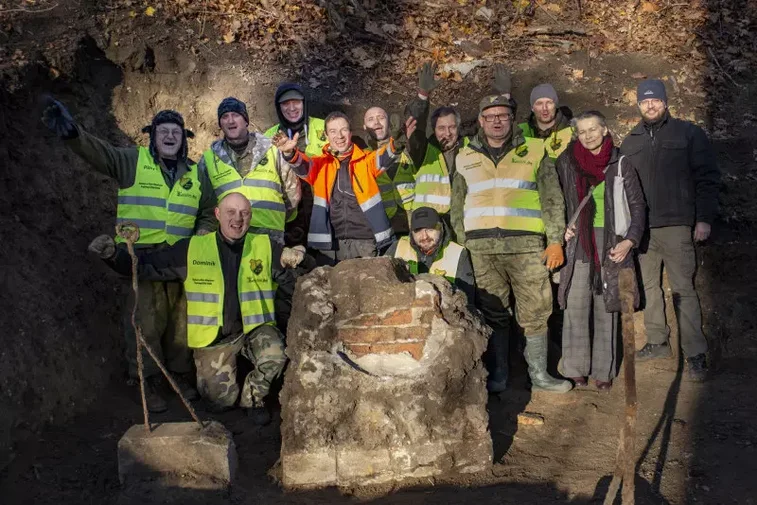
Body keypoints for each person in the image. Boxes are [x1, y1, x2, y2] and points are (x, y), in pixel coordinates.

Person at [42, 97, 215, 412]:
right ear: (152, 136)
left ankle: (177, 376)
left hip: (180, 260)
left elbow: (207, 210)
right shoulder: (133, 161)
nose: (169, 136)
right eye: (162, 131)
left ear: (184, 139)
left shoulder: (196, 173)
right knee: (144, 320)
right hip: (140, 258)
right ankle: (144, 381)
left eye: (175, 131)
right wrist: (72, 133)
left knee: (180, 321)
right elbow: (100, 153)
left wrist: (203, 232)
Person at [89, 193, 309, 425]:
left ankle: (253, 399)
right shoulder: (193, 249)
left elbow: (290, 285)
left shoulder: (264, 246)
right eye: (230, 212)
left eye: (244, 213)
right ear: (217, 214)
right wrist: (114, 256)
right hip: (214, 338)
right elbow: (147, 265)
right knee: (219, 403)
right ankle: (230, 383)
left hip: (255, 330)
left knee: (275, 354)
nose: (238, 219)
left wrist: (299, 264)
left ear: (250, 216)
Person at [450, 94, 570, 394]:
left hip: (527, 246)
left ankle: (540, 375)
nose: (496, 121)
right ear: (480, 121)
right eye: (489, 116)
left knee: (536, 310)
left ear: (512, 118)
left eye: (502, 115)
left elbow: (551, 197)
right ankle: (499, 376)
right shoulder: (464, 155)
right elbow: (457, 204)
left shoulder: (535, 150)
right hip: (482, 250)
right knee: (494, 313)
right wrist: (463, 240)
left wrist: (555, 240)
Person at [620, 79, 720, 381]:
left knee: (683, 289)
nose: (650, 105)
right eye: (645, 101)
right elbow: (622, 189)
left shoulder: (688, 134)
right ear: (638, 105)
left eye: (655, 100)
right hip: (643, 231)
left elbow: (707, 178)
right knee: (649, 289)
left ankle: (695, 353)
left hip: (678, 226)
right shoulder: (631, 141)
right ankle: (657, 342)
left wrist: (704, 218)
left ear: (665, 102)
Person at [555, 111, 646, 390]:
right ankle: (574, 367)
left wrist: (629, 240)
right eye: (582, 131)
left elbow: (638, 206)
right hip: (580, 242)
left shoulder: (620, 164)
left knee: (607, 306)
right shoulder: (566, 162)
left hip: (611, 241)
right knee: (575, 302)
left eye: (593, 129)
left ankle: (603, 372)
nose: (588, 135)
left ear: (605, 130)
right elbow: (555, 201)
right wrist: (562, 229)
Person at [276, 111, 405, 263]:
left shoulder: (365, 160)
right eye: (333, 131)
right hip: (329, 245)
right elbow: (303, 166)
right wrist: (290, 153)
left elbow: (384, 157)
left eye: (344, 130)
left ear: (351, 133)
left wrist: (395, 144)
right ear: (326, 135)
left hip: (364, 241)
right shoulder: (320, 164)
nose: (339, 136)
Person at [406, 63, 512, 233]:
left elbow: (497, 132)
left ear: (458, 127)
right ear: (433, 129)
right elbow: (415, 127)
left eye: (452, 127)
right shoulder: (423, 151)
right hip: (429, 225)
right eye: (441, 128)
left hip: (465, 222)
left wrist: (504, 98)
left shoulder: (471, 147)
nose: (447, 133)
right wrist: (422, 96)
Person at [199, 97, 301, 245]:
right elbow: (204, 204)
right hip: (228, 240)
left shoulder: (272, 150)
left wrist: (276, 220)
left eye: (235, 115)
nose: (230, 121)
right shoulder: (209, 159)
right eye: (225, 117)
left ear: (246, 120)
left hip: (270, 238)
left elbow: (292, 193)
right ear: (220, 124)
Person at [264, 84, 328, 246]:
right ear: (278, 108)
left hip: (325, 210)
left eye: (296, 102)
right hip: (290, 215)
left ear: (304, 103)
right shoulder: (268, 138)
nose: (291, 108)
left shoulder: (325, 127)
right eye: (285, 103)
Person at [385, 206, 475, 307]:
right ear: (411, 232)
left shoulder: (458, 253)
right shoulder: (397, 247)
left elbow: (468, 299)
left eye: (430, 229)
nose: (424, 236)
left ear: (441, 228)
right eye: (418, 230)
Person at [362, 106, 418, 235]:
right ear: (364, 126)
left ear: (389, 122)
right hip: (383, 226)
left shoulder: (407, 147)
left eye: (381, 117)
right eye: (371, 119)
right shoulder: (362, 156)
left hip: (412, 223)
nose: (376, 122)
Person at [519, 84, 573, 160]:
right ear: (532, 108)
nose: (545, 108)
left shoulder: (571, 132)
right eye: (539, 103)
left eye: (549, 103)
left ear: (556, 105)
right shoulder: (520, 131)